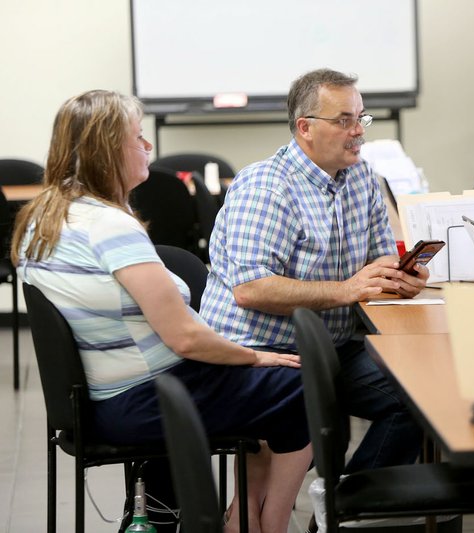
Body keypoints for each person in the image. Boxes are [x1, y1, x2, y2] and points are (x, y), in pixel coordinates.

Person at [12, 90, 311, 533]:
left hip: (99, 396)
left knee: (271, 380)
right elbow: (185, 338)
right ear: (108, 151)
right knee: (302, 384)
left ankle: (246, 518)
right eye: (138, 138)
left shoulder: (44, 216)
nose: (148, 147)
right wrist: (253, 356)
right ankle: (267, 523)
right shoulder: (110, 226)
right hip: (145, 398)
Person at [200, 69, 426, 473]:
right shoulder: (267, 187)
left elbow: (376, 264)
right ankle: (343, 509)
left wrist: (400, 277)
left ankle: (347, 506)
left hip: (333, 347)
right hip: (265, 353)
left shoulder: (363, 178)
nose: (358, 131)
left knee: (422, 392)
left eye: (361, 118)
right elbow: (251, 289)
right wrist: (346, 289)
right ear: (304, 127)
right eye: (344, 120)